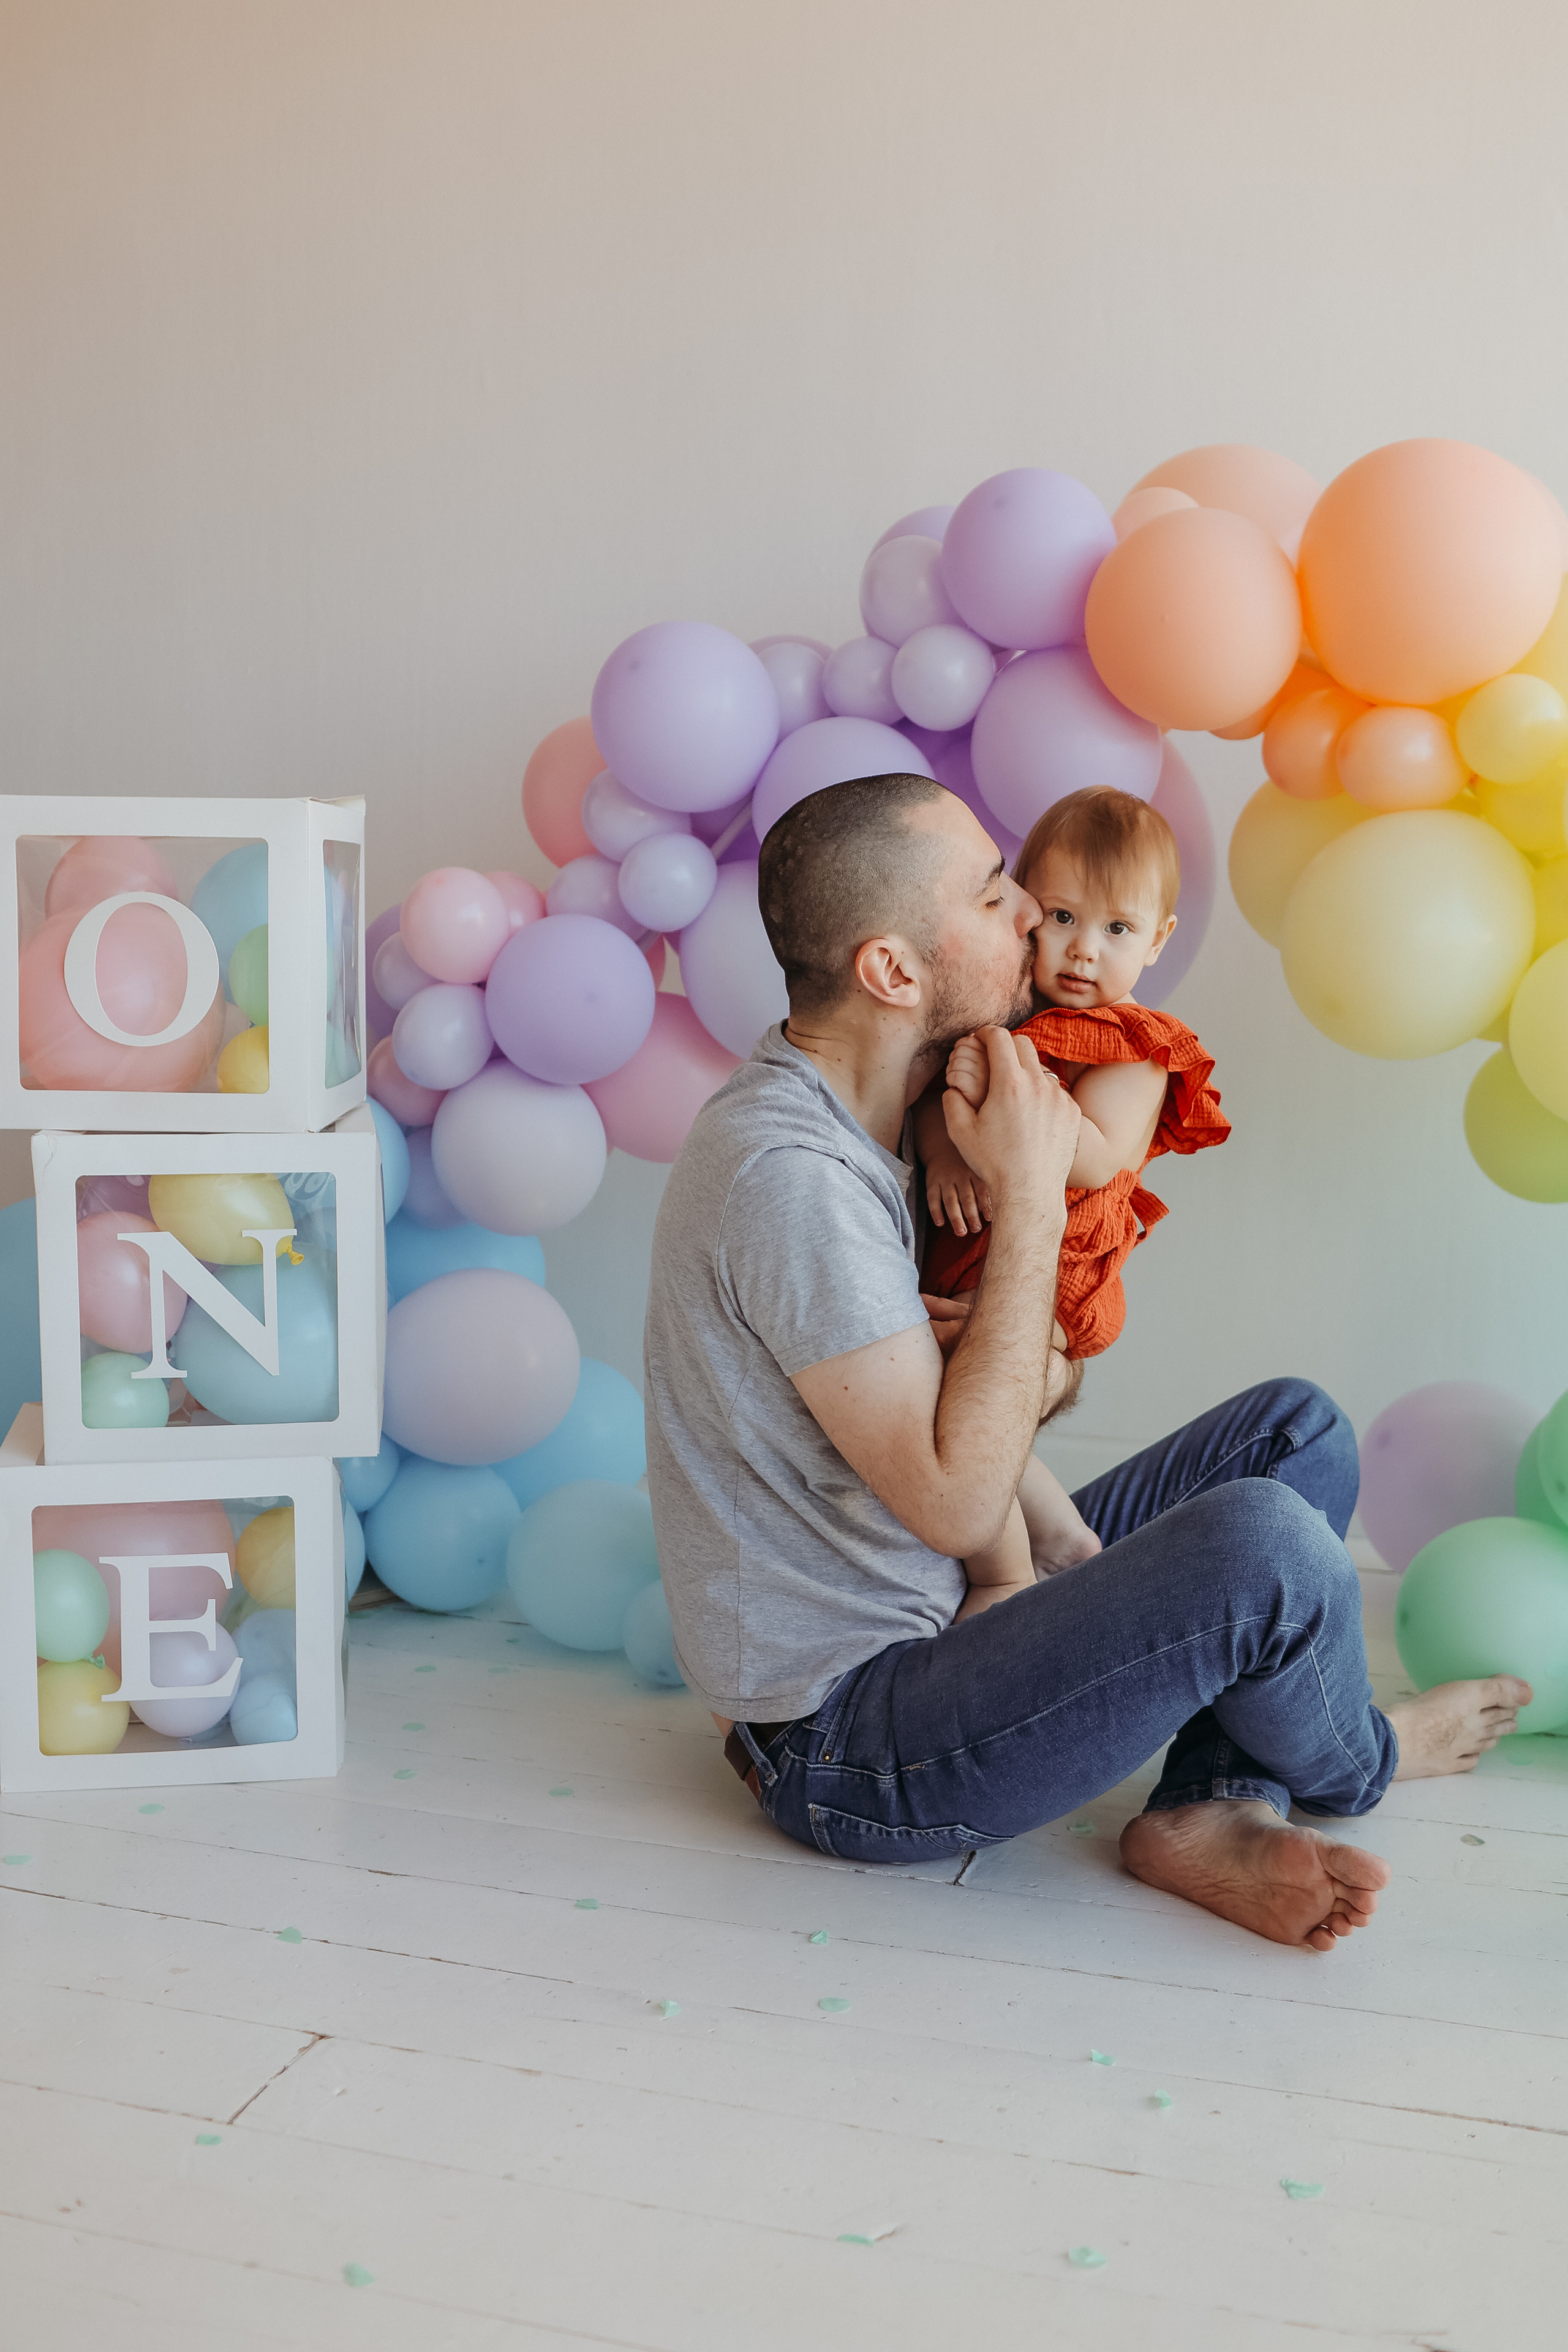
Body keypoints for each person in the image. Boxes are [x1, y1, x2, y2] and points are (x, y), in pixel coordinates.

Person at [642, 772, 1529, 1954]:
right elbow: (962, 1495)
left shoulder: (893, 1105)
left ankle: (1207, 1808)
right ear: (893, 973)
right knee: (1267, 1545)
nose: (1034, 917)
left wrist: (1027, 1343)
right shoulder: (790, 1178)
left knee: (1295, 1433)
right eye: (994, 894)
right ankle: (1363, 1753)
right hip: (850, 1739)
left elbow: (1007, 1397)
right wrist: (1031, 1202)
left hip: (950, 1596)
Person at [917, 785, 1231, 1606]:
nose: (1083, 950)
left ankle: (1010, 1577)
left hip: (1060, 1262)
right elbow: (925, 1103)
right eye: (1061, 917)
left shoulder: (1137, 1050)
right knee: (961, 1411)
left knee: (976, 1404)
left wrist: (1004, 1088)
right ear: (1024, 908)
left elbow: (1093, 1161)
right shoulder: (1003, 1014)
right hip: (975, 1243)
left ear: (1158, 940)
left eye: (1116, 929)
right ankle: (1058, 1538)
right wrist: (945, 1147)